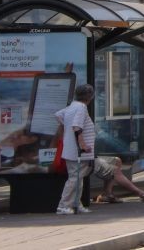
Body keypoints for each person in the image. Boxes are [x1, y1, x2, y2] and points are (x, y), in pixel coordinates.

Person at [55, 83, 96, 215]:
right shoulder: (82, 107)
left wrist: (66, 126)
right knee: (74, 178)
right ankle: (63, 205)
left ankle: (76, 204)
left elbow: (58, 115)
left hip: (72, 149)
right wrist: (82, 145)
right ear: (90, 96)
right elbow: (77, 126)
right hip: (78, 151)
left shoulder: (72, 106)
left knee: (78, 178)